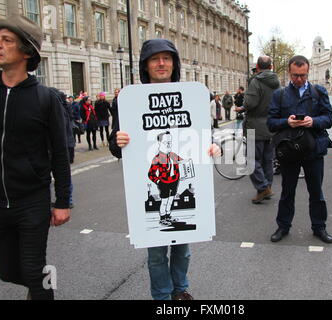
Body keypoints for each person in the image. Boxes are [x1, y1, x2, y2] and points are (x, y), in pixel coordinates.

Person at [108, 39, 220, 300]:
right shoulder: (128, 100)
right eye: (155, 59)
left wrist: (214, 148)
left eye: (167, 58)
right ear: (145, 65)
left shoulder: (193, 97)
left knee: (183, 249)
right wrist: (117, 141)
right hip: (159, 179)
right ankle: (162, 296)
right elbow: (116, 145)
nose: (161, 63)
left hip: (176, 177)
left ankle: (180, 290)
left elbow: (206, 135)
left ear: (174, 63)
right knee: (156, 252)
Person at [0, 15, 71, 300]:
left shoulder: (45, 98)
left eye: (6, 40)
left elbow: (60, 153)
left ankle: (42, 290)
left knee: (32, 269)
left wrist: (63, 201)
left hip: (32, 201)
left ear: (26, 51)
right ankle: (44, 282)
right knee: (6, 271)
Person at [267, 55, 332, 244]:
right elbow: (271, 123)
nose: (299, 79)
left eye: (303, 75)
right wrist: (286, 122)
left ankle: (319, 227)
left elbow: (328, 119)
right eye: (296, 75)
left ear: (308, 72)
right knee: (287, 191)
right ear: (289, 72)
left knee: (316, 192)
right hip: (290, 150)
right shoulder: (279, 95)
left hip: (313, 150)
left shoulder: (319, 92)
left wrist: (313, 121)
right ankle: (283, 226)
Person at [244, 55, 280, 204]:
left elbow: (250, 103)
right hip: (271, 125)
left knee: (251, 160)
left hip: (255, 127)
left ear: (257, 67)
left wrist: (244, 105)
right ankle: (265, 189)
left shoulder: (256, 81)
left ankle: (263, 187)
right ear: (271, 67)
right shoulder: (277, 83)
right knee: (267, 160)